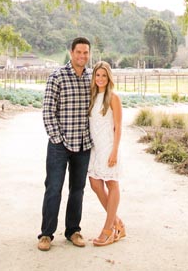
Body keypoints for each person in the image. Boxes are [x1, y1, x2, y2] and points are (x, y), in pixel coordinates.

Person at [37, 37, 92, 251]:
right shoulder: (57, 76)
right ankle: (46, 234)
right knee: (53, 188)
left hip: (83, 144)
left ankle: (73, 231)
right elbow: (48, 111)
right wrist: (57, 138)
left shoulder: (91, 78)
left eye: (86, 52)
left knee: (77, 190)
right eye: (79, 52)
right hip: (59, 145)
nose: (82, 56)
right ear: (71, 53)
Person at [86, 60, 126, 246]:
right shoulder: (93, 97)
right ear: (94, 77)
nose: (100, 78)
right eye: (97, 75)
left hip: (109, 147)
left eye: (104, 75)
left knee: (112, 183)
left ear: (109, 77)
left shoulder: (113, 98)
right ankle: (117, 222)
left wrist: (115, 152)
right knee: (95, 183)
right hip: (96, 148)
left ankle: (108, 229)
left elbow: (118, 127)